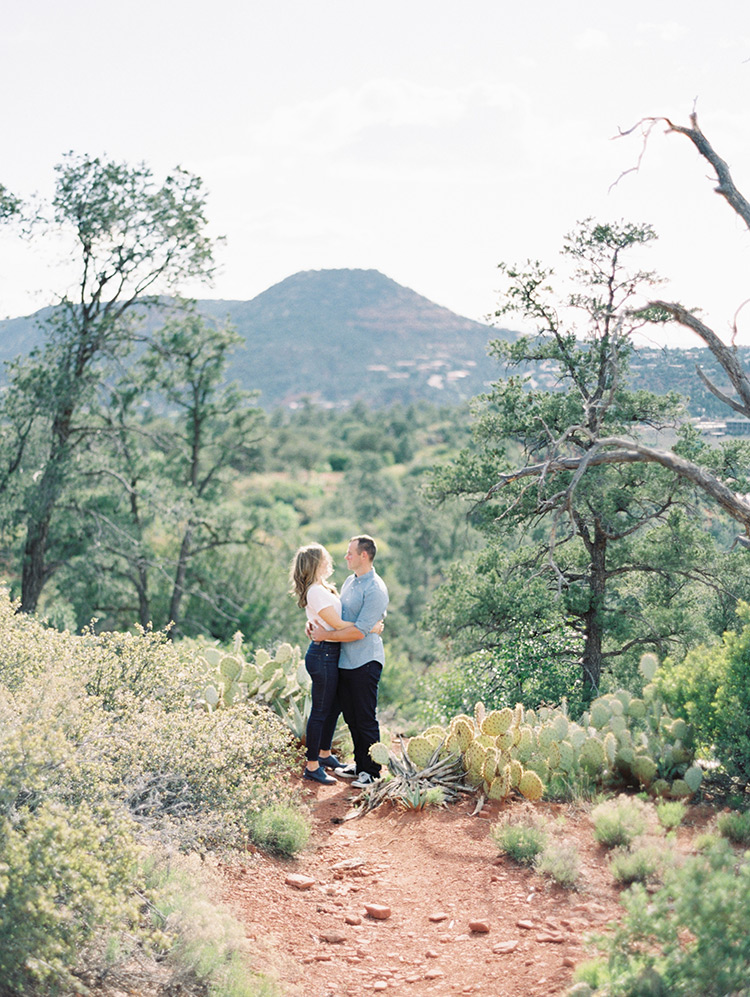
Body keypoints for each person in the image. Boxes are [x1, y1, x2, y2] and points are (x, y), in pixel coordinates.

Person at [289, 542, 382, 785]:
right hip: (325, 655)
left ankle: (326, 755)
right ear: (316, 564)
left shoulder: (326, 588)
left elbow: (329, 620)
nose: (333, 560)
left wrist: (316, 625)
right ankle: (312, 766)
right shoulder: (318, 591)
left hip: (336, 654)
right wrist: (370, 627)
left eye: (349, 553)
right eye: (326, 558)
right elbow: (339, 625)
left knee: (336, 708)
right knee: (322, 711)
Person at [310, 535, 389, 789]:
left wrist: (326, 636)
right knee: (352, 717)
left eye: (350, 553)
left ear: (364, 555)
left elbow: (358, 632)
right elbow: (340, 617)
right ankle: (360, 763)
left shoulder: (375, 588)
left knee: (365, 717)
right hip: (345, 661)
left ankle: (372, 773)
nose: (346, 557)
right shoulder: (349, 582)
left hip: (365, 661)